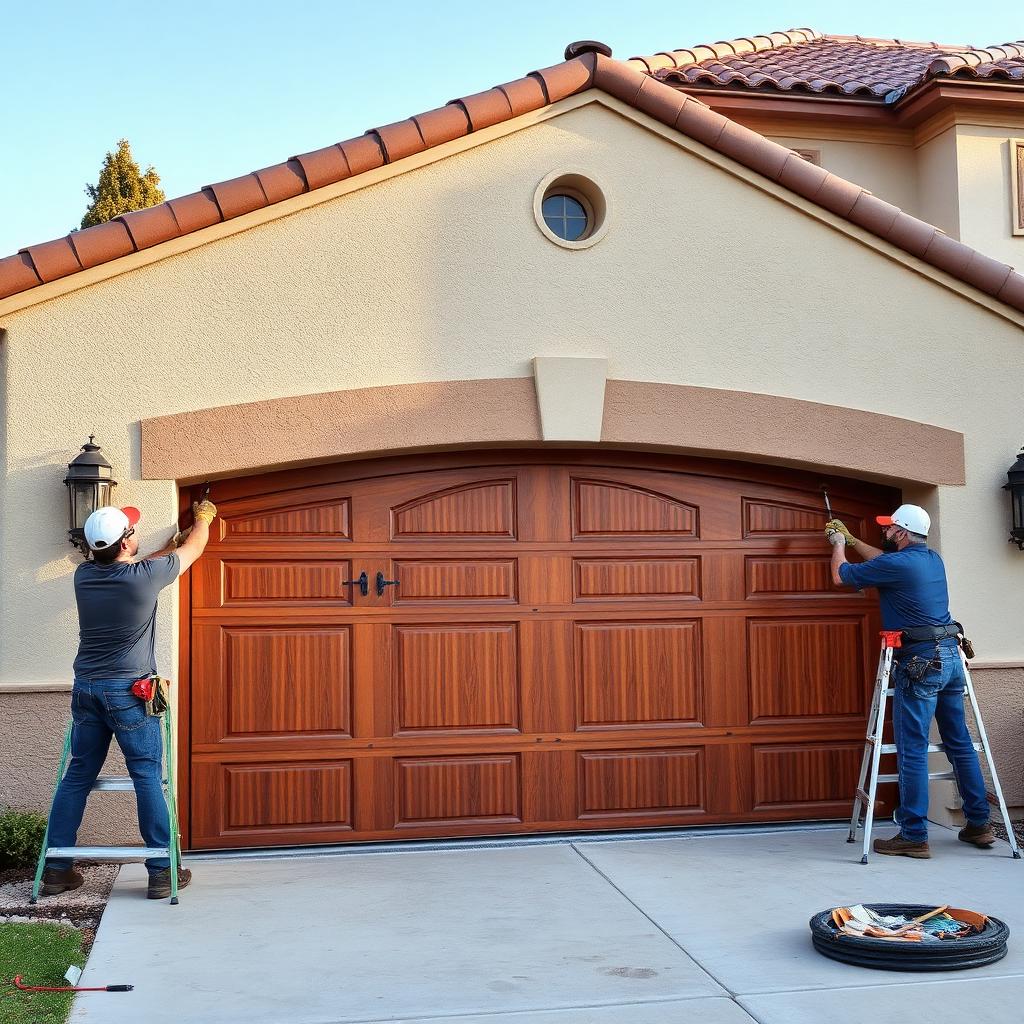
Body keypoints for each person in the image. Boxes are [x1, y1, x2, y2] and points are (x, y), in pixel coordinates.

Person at [40, 498, 217, 899]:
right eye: (131, 532)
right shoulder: (145, 576)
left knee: (78, 776)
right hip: (129, 694)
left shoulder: (84, 576)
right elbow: (197, 547)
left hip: (86, 689)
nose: (135, 536)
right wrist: (202, 519)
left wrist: (165, 549)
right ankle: (160, 872)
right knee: (147, 777)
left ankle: (56, 871)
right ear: (124, 543)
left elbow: (132, 565)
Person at [826, 504, 993, 859]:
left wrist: (838, 543)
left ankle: (914, 835)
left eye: (888, 529)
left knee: (913, 748)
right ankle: (979, 824)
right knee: (959, 742)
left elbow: (841, 576)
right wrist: (856, 540)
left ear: (901, 533)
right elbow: (881, 564)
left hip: (919, 662)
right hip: (949, 656)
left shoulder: (896, 564)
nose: (884, 533)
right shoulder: (931, 559)